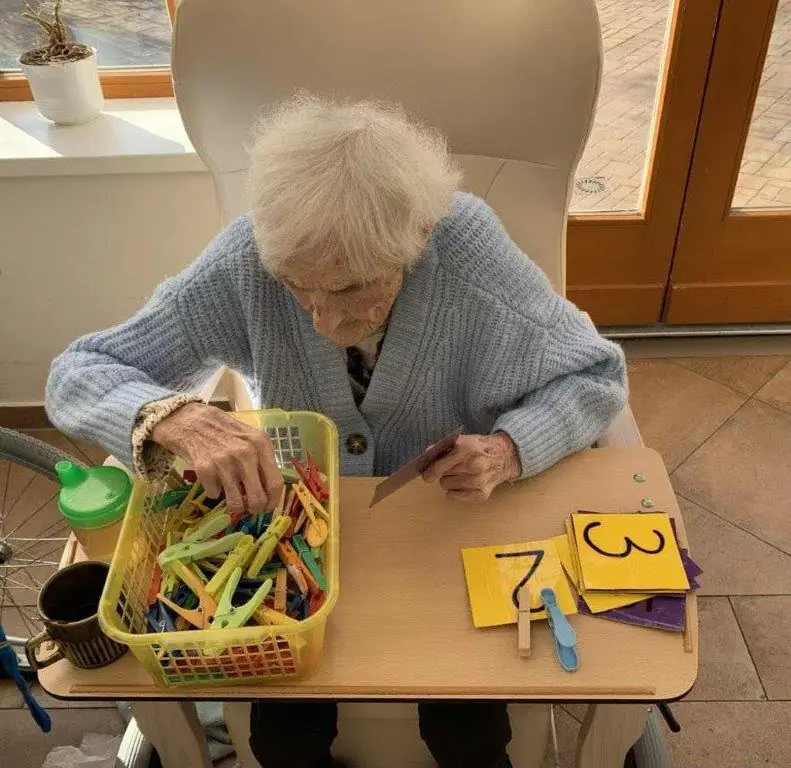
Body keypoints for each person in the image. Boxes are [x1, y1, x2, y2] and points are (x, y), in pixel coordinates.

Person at [46, 95, 627, 768]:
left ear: (415, 240)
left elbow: (593, 377)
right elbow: (77, 373)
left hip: (439, 529)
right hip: (291, 531)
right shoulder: (250, 256)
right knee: (281, 741)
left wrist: (509, 449)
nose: (323, 322)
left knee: (468, 732)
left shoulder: (466, 250)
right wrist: (173, 416)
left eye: (352, 289)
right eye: (298, 288)